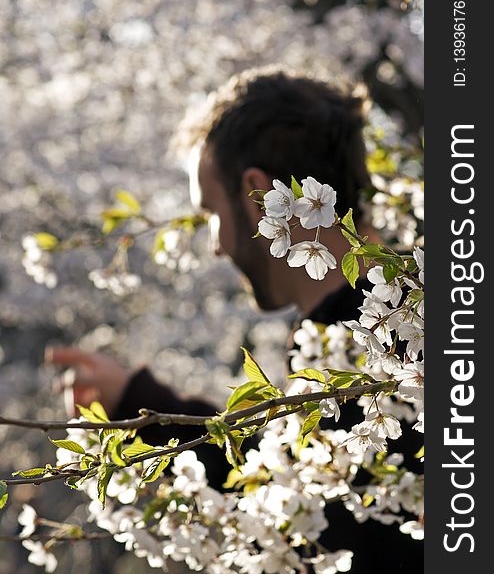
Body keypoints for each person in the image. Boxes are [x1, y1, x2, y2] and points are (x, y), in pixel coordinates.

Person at [46, 67, 423, 572]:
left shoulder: (378, 343)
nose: (217, 245)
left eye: (211, 215)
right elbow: (286, 481)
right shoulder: (378, 319)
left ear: (256, 193)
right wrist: (138, 401)